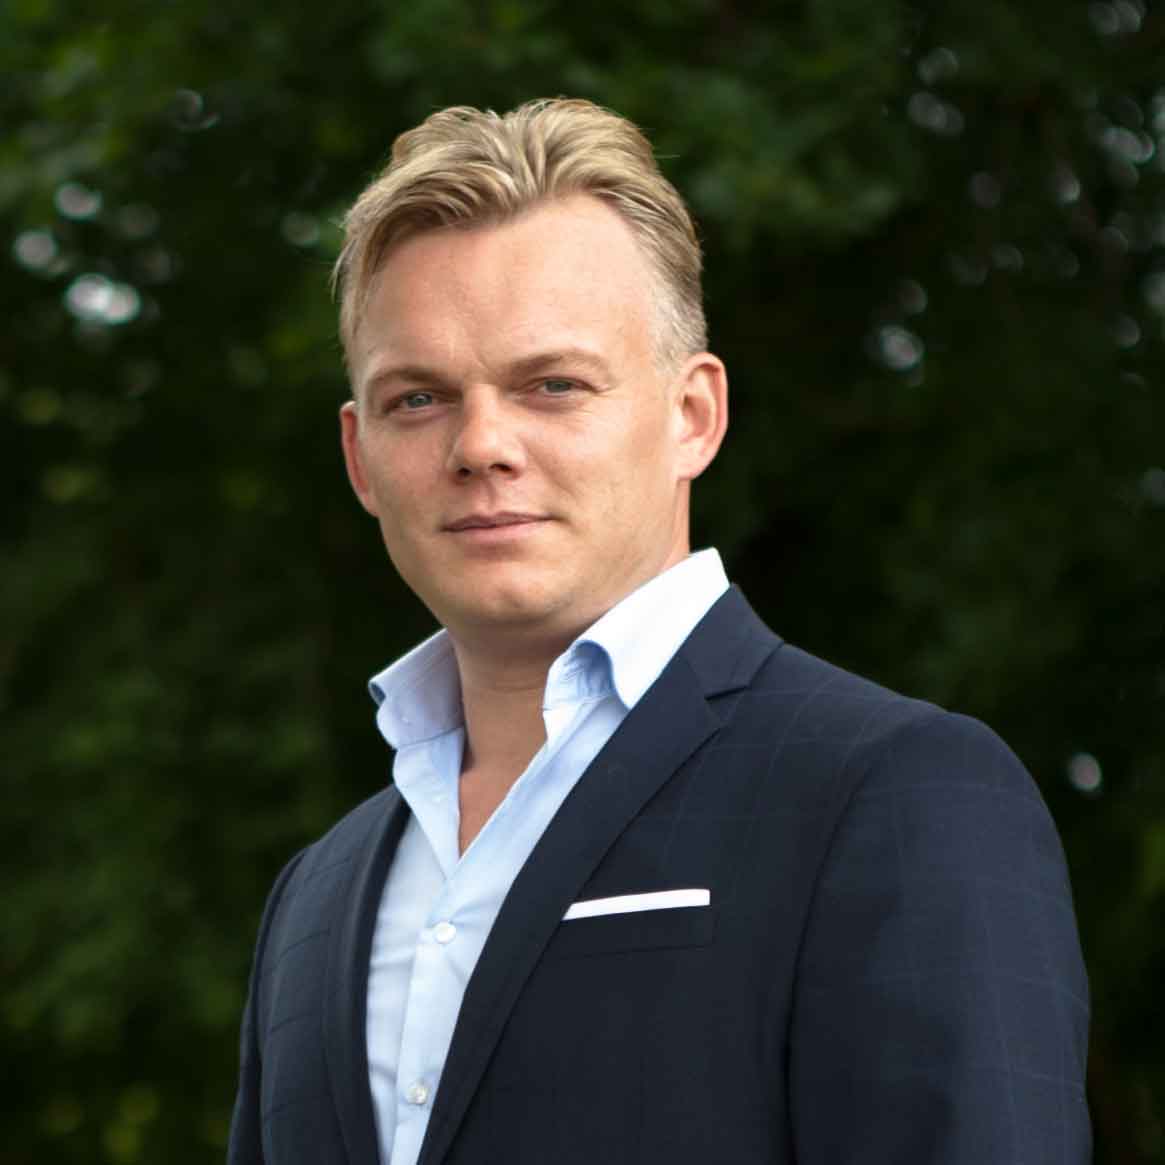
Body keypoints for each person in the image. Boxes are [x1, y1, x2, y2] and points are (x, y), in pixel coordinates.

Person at [228, 98, 1091, 1165]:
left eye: (552, 384)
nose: (481, 443)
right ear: (359, 457)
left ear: (693, 415)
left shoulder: (892, 791)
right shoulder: (315, 896)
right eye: (418, 399)